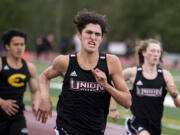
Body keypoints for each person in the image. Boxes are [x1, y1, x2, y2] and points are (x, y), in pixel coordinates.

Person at [36, 9, 131, 135]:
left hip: (96, 130)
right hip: (66, 130)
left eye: (97, 34)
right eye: (89, 32)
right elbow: (44, 77)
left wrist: (106, 85)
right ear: (79, 35)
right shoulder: (65, 62)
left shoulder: (111, 62)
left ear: (102, 38)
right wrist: (45, 97)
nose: (93, 37)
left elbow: (127, 102)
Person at [123, 39, 180, 135]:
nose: (156, 54)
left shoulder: (165, 75)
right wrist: (113, 107)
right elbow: (112, 82)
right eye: (152, 51)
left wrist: (174, 95)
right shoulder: (133, 72)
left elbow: (178, 103)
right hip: (137, 123)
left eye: (158, 51)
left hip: (156, 125)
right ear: (144, 52)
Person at [0, 29, 39, 135]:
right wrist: (2, 102)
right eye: (16, 44)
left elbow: (35, 91)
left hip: (17, 117)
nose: (20, 48)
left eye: (22, 44)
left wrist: (35, 103)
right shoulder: (0, 64)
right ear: (7, 46)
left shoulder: (30, 67)